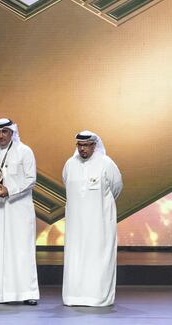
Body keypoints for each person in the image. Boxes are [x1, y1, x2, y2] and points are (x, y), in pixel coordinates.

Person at [0, 118, 40, 305]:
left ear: (12, 133)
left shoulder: (25, 151)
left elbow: (31, 179)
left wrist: (10, 190)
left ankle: (27, 293)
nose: (1, 136)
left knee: (21, 250)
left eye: (5, 132)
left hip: (19, 209)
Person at [62, 131, 123, 307]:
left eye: (86, 145)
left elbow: (116, 187)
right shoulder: (70, 164)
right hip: (76, 225)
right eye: (79, 145)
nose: (82, 149)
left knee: (99, 257)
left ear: (94, 146)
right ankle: (74, 297)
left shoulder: (106, 163)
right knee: (76, 257)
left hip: (100, 223)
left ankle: (98, 297)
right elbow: (67, 183)